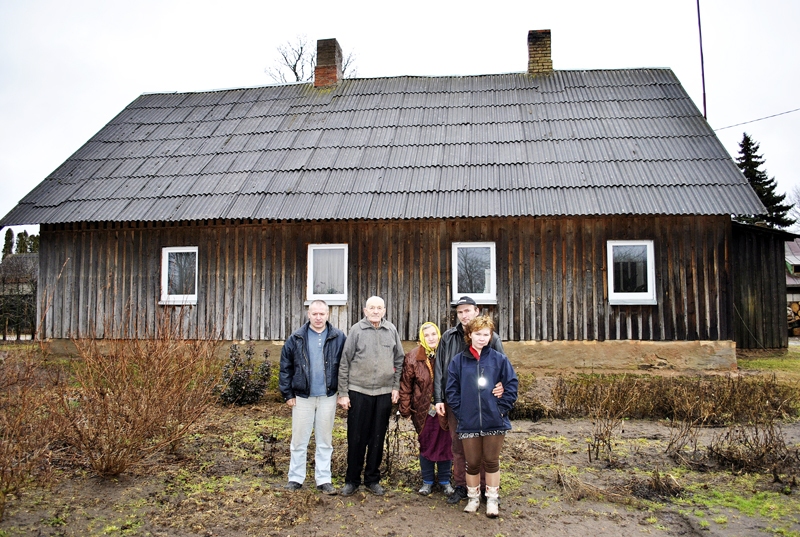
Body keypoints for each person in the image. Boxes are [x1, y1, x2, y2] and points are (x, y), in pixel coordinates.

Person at [434, 295, 505, 504]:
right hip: (456, 403)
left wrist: (502, 388)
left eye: (468, 311)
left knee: (484, 447)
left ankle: (485, 488)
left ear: (477, 311)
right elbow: (439, 369)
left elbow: (503, 367)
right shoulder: (448, 337)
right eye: (460, 312)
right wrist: (438, 398)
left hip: (485, 404)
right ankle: (462, 487)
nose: (464, 315)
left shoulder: (490, 337)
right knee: (458, 446)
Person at [446, 315, 518, 517]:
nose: (482, 338)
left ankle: (492, 500)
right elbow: (451, 391)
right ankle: (473, 498)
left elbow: (511, 384)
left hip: (494, 420)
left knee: (492, 461)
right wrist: (463, 413)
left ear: (490, 336)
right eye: (478, 334)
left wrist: (501, 408)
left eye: (486, 334)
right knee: (473, 463)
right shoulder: (458, 361)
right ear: (469, 335)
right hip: (468, 423)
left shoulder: (499, 359)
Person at [338, 296, 405, 496]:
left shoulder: (391, 330)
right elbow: (344, 361)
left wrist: (395, 387)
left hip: (384, 393)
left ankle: (372, 479)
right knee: (356, 438)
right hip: (359, 391)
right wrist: (343, 393)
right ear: (365, 310)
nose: (375, 311)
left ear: (384, 310)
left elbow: (399, 360)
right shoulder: (356, 330)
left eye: (379, 308)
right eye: (371, 308)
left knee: (377, 437)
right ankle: (352, 480)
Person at [278, 300, 347, 495]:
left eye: (322, 314)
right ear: (309, 315)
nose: (318, 317)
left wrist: (343, 392)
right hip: (302, 397)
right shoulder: (296, 338)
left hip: (328, 396)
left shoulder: (338, 337)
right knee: (299, 440)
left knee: (325, 440)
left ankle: (323, 479)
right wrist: (288, 394)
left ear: (328, 315)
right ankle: (295, 478)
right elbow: (285, 368)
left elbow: (344, 366)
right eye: (314, 314)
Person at [399, 322, 454, 497]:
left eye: (434, 334)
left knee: (446, 445)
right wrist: (405, 409)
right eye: (427, 335)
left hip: (445, 409)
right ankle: (427, 481)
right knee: (427, 444)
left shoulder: (446, 354)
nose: (431, 338)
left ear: (439, 335)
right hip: (423, 411)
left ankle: (445, 481)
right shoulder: (413, 357)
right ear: (421, 338)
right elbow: (406, 386)